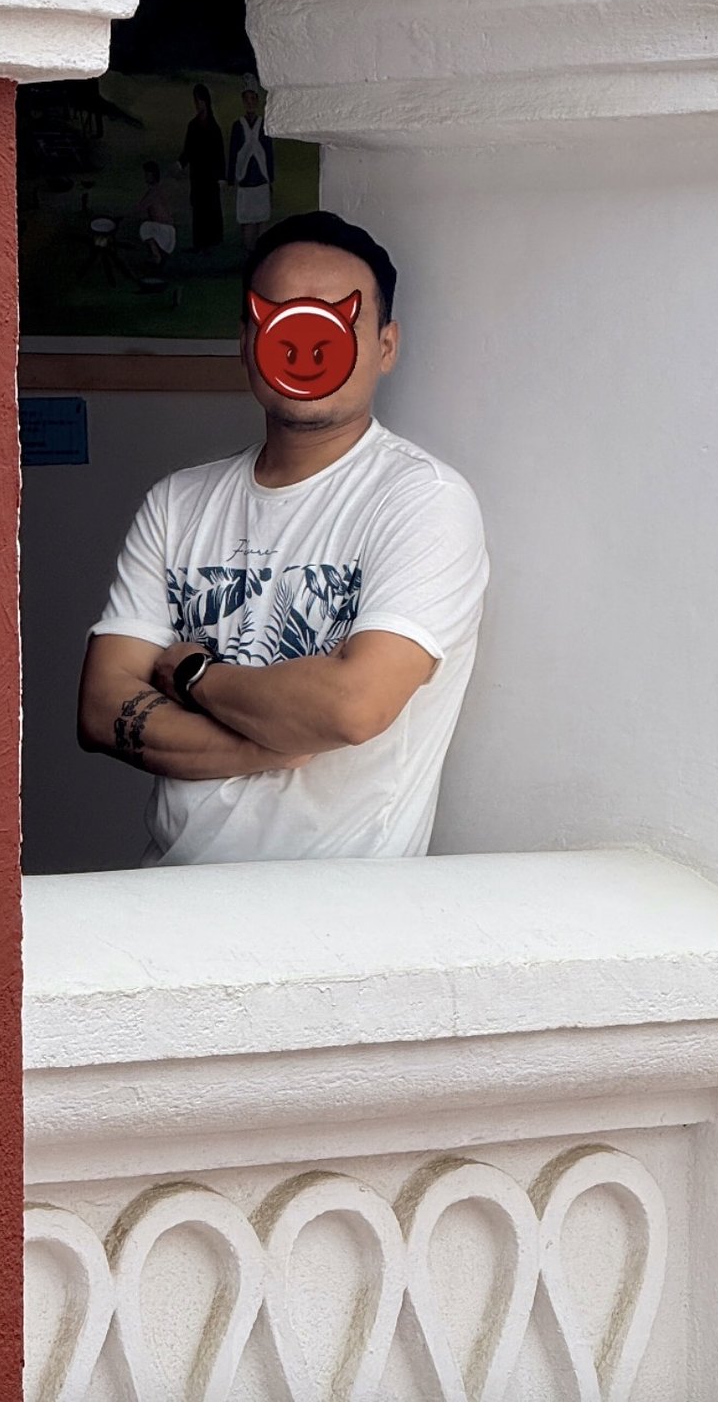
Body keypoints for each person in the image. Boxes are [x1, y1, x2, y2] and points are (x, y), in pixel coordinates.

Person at [77, 210, 489, 866]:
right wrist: (268, 743)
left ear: (384, 346)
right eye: (280, 317)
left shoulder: (423, 501)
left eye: (334, 320)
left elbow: (352, 707)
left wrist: (194, 675)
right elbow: (103, 709)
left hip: (335, 910)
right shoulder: (177, 503)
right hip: (168, 893)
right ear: (246, 341)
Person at [227, 75, 275, 252]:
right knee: (247, 223)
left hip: (261, 180)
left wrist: (270, 178)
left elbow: (268, 153)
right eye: (247, 99)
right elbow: (233, 153)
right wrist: (231, 179)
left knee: (262, 223)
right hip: (245, 181)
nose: (250, 103)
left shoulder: (263, 125)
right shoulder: (238, 126)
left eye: (253, 99)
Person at [177, 82, 225, 251]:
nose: (198, 105)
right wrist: (180, 163)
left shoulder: (213, 127)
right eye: (196, 101)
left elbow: (219, 153)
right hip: (197, 174)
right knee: (199, 207)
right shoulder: (193, 126)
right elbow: (188, 149)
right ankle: (200, 242)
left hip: (210, 176)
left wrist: (221, 176)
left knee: (211, 206)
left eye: (200, 101)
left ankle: (213, 240)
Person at [135, 160, 175, 273]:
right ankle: (156, 257)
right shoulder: (159, 190)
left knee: (145, 227)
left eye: (148, 174)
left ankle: (156, 255)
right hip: (168, 230)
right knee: (148, 226)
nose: (146, 176)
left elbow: (140, 208)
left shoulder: (154, 192)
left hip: (165, 231)